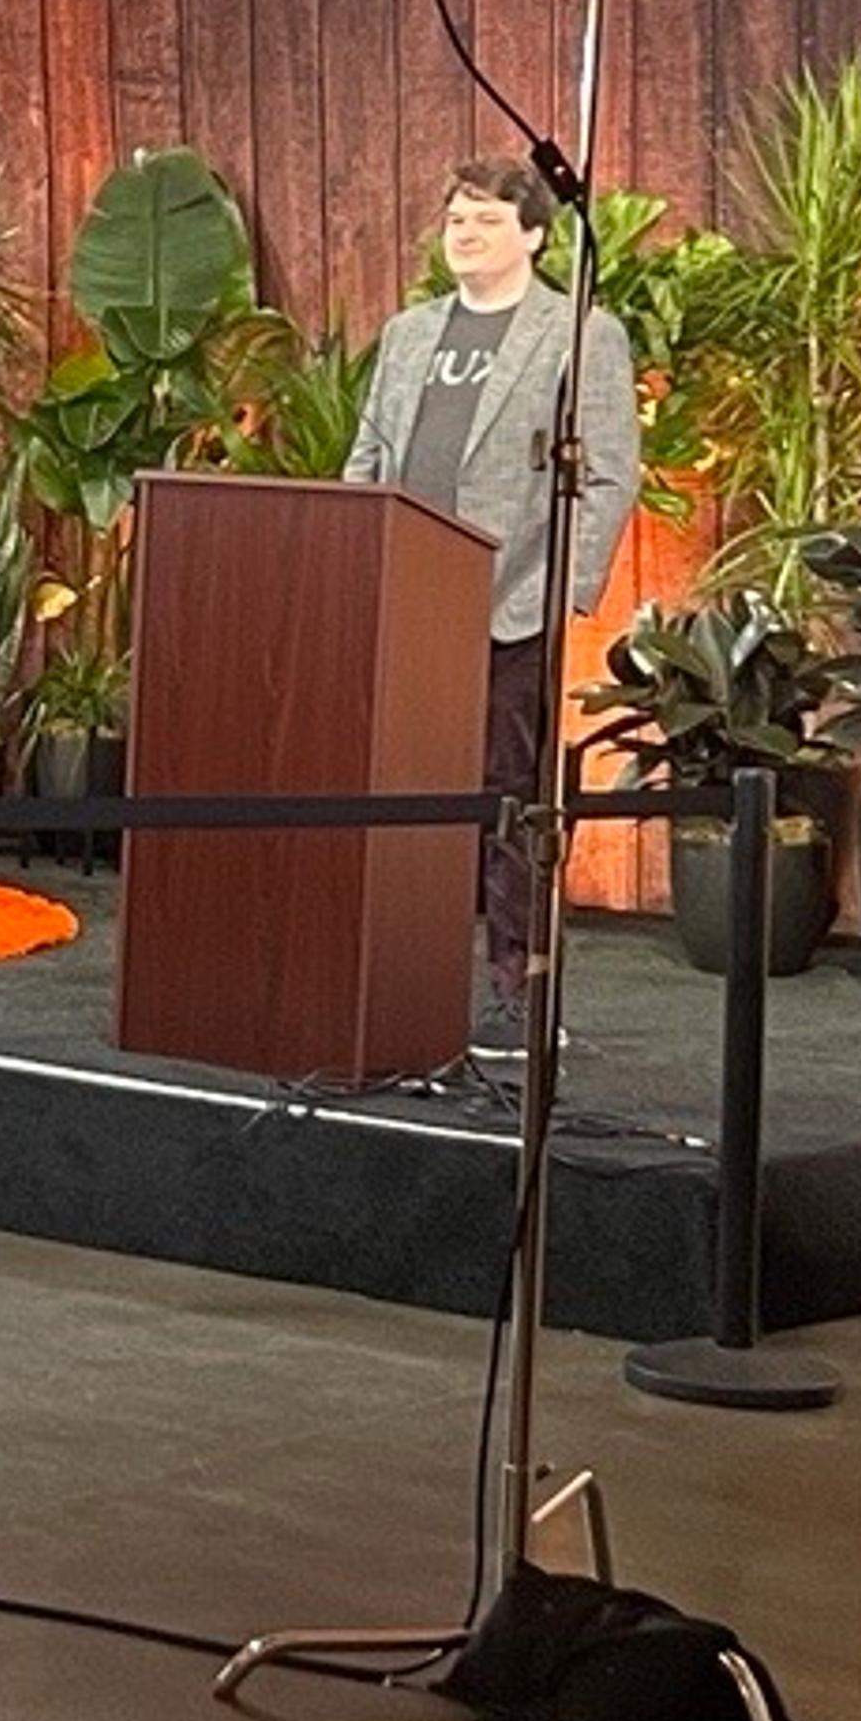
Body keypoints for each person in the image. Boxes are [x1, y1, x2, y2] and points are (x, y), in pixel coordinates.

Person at [341, 157, 638, 1054]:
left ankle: (521, 992)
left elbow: (612, 474)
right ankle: (403, 982)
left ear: (536, 236)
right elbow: (367, 455)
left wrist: (562, 596)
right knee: (402, 804)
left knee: (511, 807)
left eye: (484, 221)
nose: (462, 233)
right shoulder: (408, 333)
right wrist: (351, 557)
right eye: (455, 218)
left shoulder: (579, 335)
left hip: (509, 609)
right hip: (405, 605)